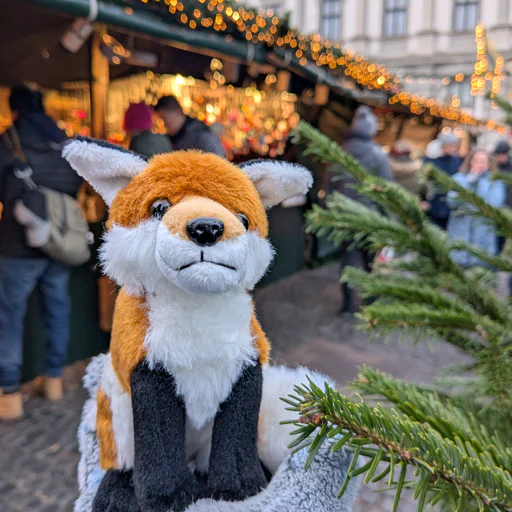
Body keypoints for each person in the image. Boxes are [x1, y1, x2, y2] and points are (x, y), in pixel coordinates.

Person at [0, 84, 83, 419]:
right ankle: (53, 381)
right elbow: (76, 182)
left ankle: (9, 396)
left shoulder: (8, 141)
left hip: (16, 245)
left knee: (9, 316)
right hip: (58, 242)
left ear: (14, 108)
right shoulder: (63, 141)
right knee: (58, 310)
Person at [323, 105, 392, 314]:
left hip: (345, 219)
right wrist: (387, 220)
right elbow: (387, 191)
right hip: (370, 220)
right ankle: (371, 300)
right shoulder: (378, 156)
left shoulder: (339, 153)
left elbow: (328, 186)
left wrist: (330, 212)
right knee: (370, 262)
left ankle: (347, 305)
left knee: (348, 260)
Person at [447, 149, 505, 267]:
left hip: (483, 239)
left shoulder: (495, 182)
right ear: (470, 162)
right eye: (477, 160)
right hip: (459, 236)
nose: (480, 164)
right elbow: (452, 202)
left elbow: (494, 205)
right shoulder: (459, 179)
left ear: (489, 164)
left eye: (483, 161)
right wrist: (469, 182)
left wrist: (480, 182)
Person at [155, 95, 226, 157]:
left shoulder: (202, 136)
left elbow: (219, 164)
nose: (164, 124)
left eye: (165, 119)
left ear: (178, 112)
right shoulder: (172, 139)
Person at [424, 132, 463, 230]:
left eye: (455, 146)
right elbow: (423, 183)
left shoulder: (456, 161)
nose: (454, 149)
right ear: (444, 145)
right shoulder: (431, 161)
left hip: (448, 208)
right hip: (432, 206)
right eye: (452, 145)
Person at [492, 140, 512, 253]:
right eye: (497, 154)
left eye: (501, 154)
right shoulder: (494, 168)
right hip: (496, 209)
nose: (499, 157)